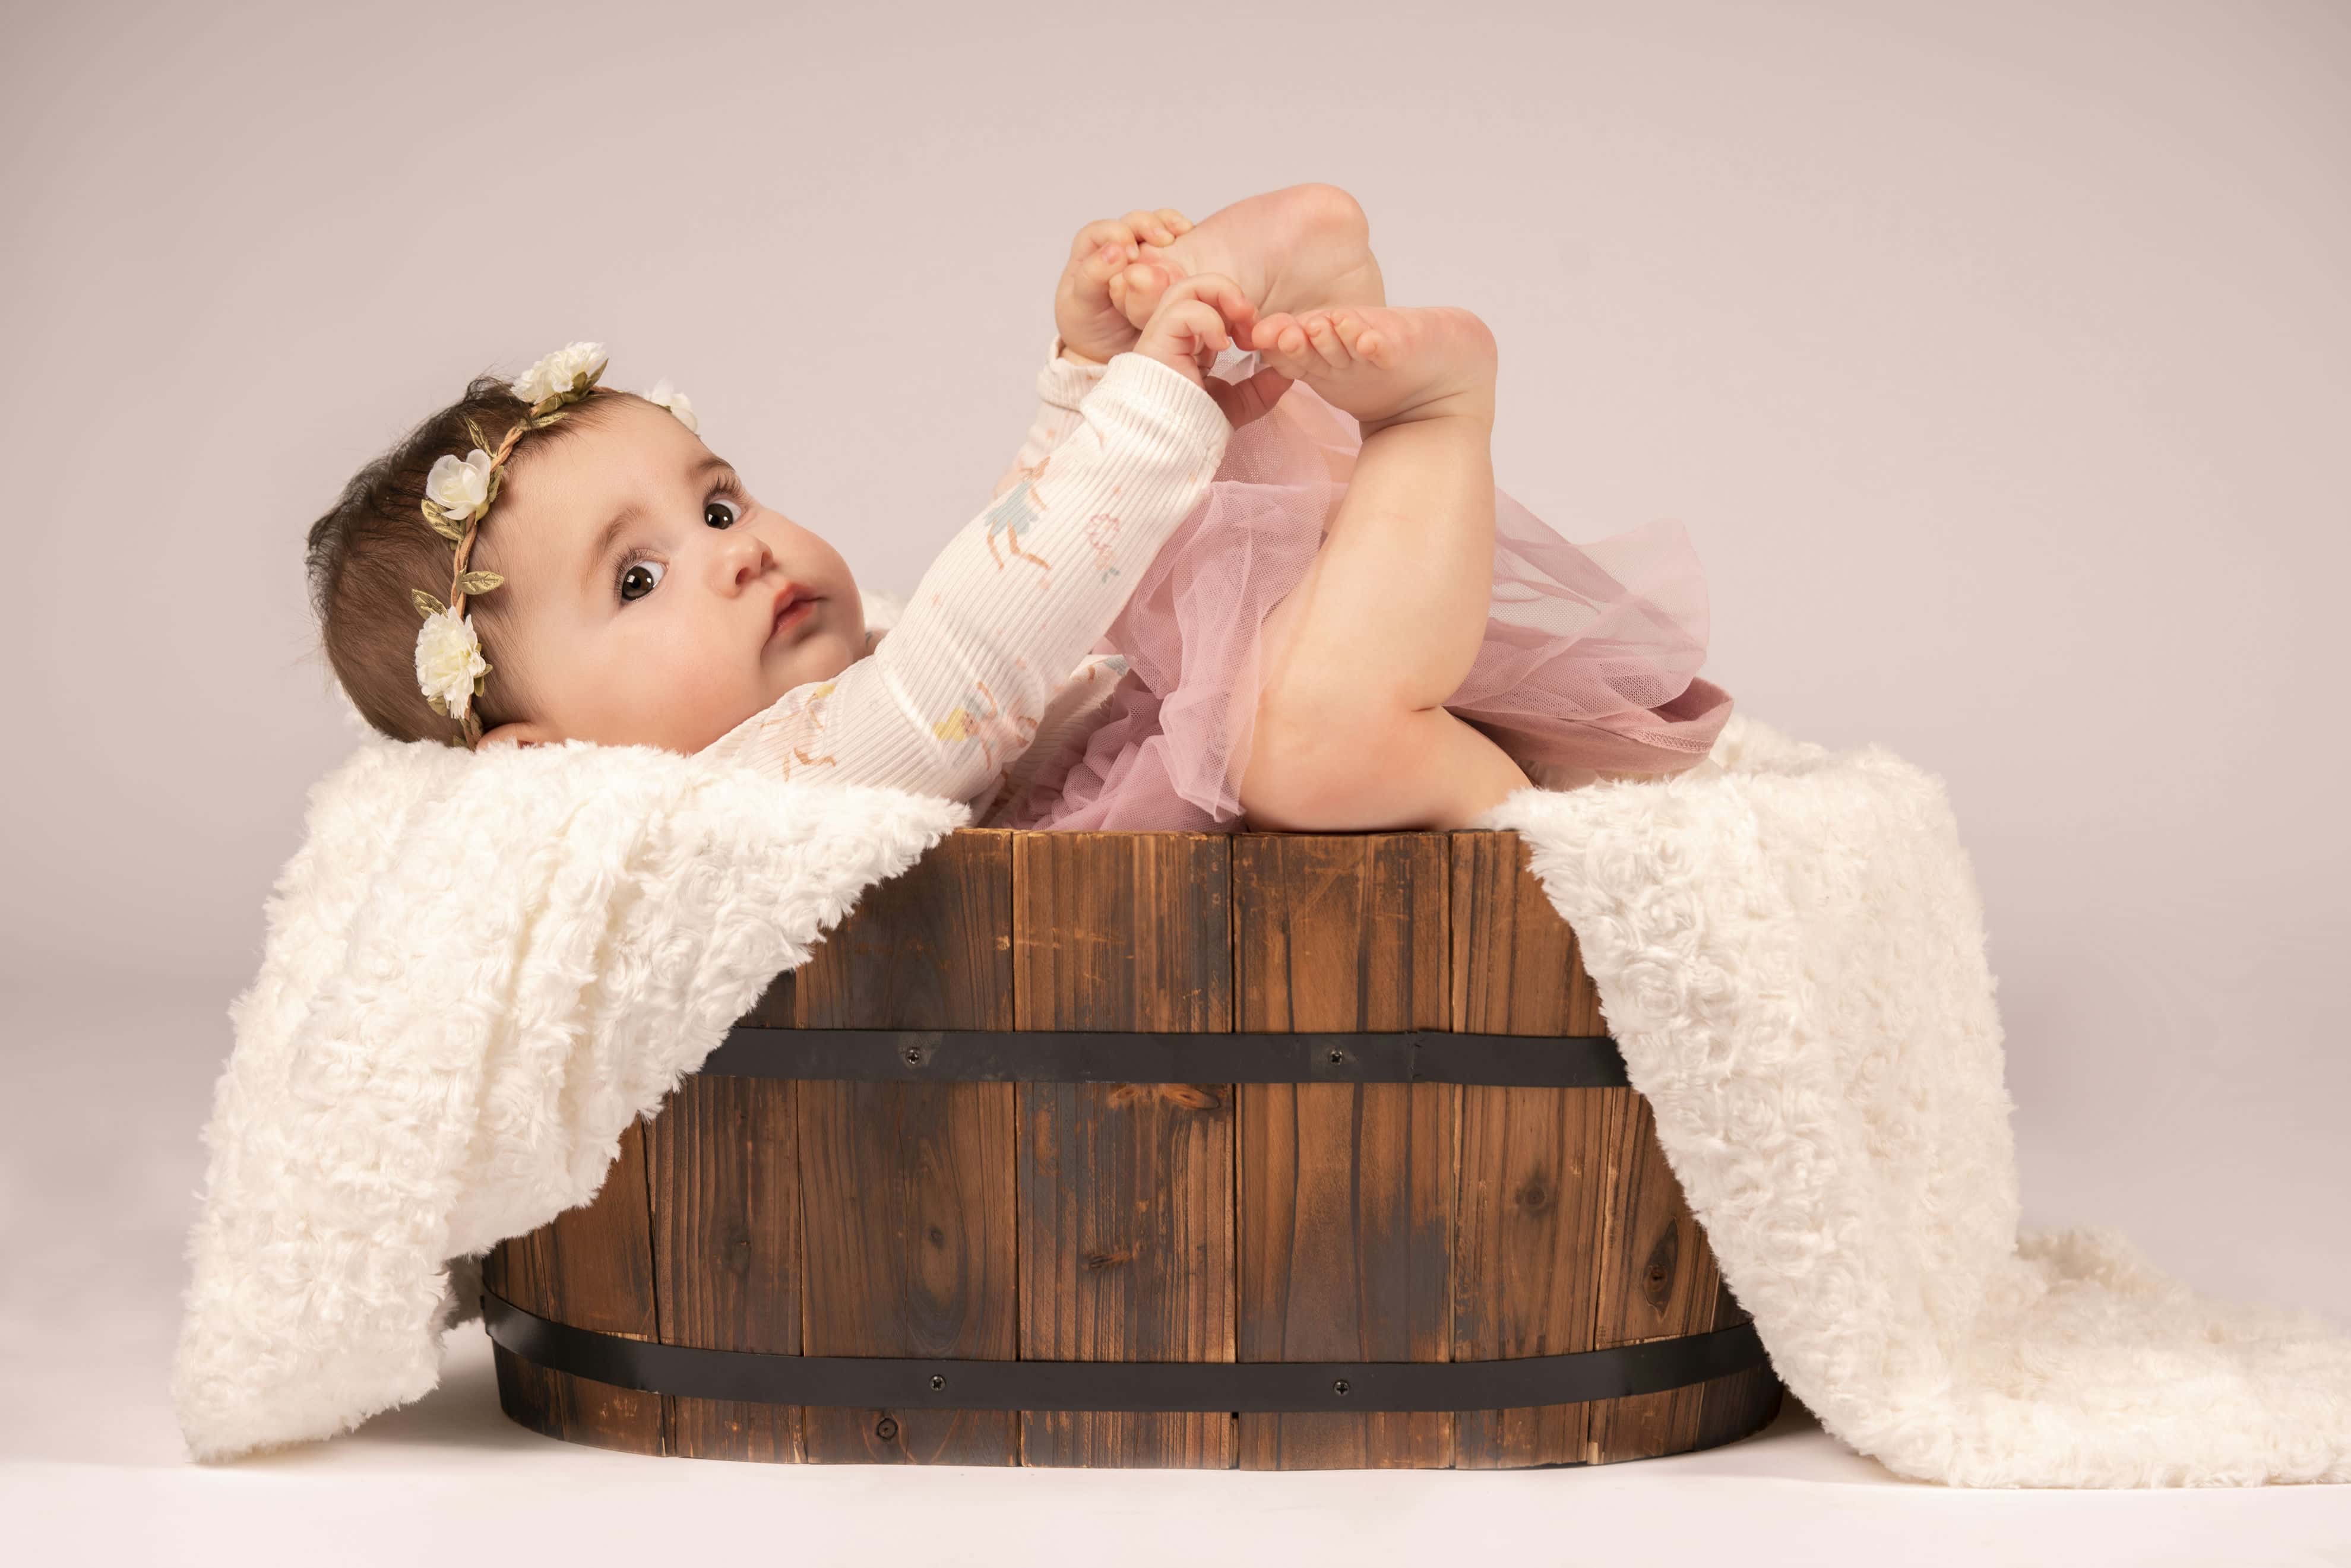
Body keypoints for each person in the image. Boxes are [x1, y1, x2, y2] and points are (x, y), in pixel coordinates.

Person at [304, 183, 1732, 833]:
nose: (734, 558)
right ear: (538, 756)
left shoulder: (842, 704)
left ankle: (1373, 381)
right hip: (1284, 773)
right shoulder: (744, 803)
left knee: (1252, 658)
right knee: (1303, 740)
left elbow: (1005, 564)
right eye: (637, 580)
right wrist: (1147, 398)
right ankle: (1426, 422)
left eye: (720, 506)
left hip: (1256, 750)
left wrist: (1090, 370)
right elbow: (979, 652)